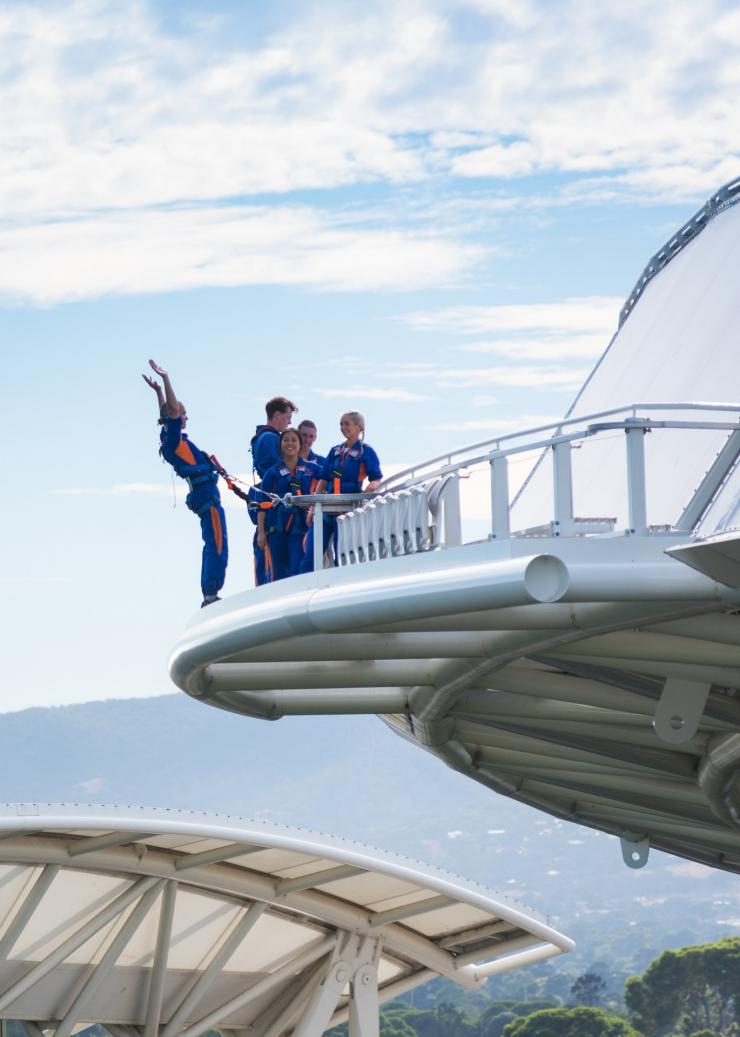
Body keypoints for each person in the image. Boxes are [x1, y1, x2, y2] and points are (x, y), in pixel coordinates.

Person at [143, 360, 227, 607]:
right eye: (182, 414)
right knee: (217, 543)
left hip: (204, 492)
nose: (185, 416)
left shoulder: (170, 438)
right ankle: (211, 593)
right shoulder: (173, 440)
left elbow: (167, 414)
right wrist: (167, 380)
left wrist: (158, 392)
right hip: (205, 495)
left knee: (213, 541)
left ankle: (210, 591)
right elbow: (172, 413)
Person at [300, 411, 382, 573]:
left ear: (359, 427)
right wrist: (313, 508)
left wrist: (369, 488)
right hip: (326, 508)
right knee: (311, 555)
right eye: (341, 424)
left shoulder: (366, 452)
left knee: (342, 555)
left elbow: (376, 478)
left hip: (347, 510)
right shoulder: (335, 451)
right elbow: (323, 479)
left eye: (347, 424)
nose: (343, 427)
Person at [257, 429, 320, 580]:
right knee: (278, 574)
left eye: (293, 440)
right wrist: (261, 533)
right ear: (280, 444)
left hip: (300, 529)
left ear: (300, 444)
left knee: (297, 569)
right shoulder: (272, 473)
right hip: (276, 529)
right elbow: (261, 503)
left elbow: (328, 482)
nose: (290, 444)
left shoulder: (313, 469)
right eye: (286, 440)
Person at [250, 396, 298, 585]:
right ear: (277, 415)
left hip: (269, 503)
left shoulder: (262, 436)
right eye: (287, 417)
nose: (289, 422)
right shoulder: (270, 438)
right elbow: (275, 471)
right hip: (274, 506)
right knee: (274, 563)